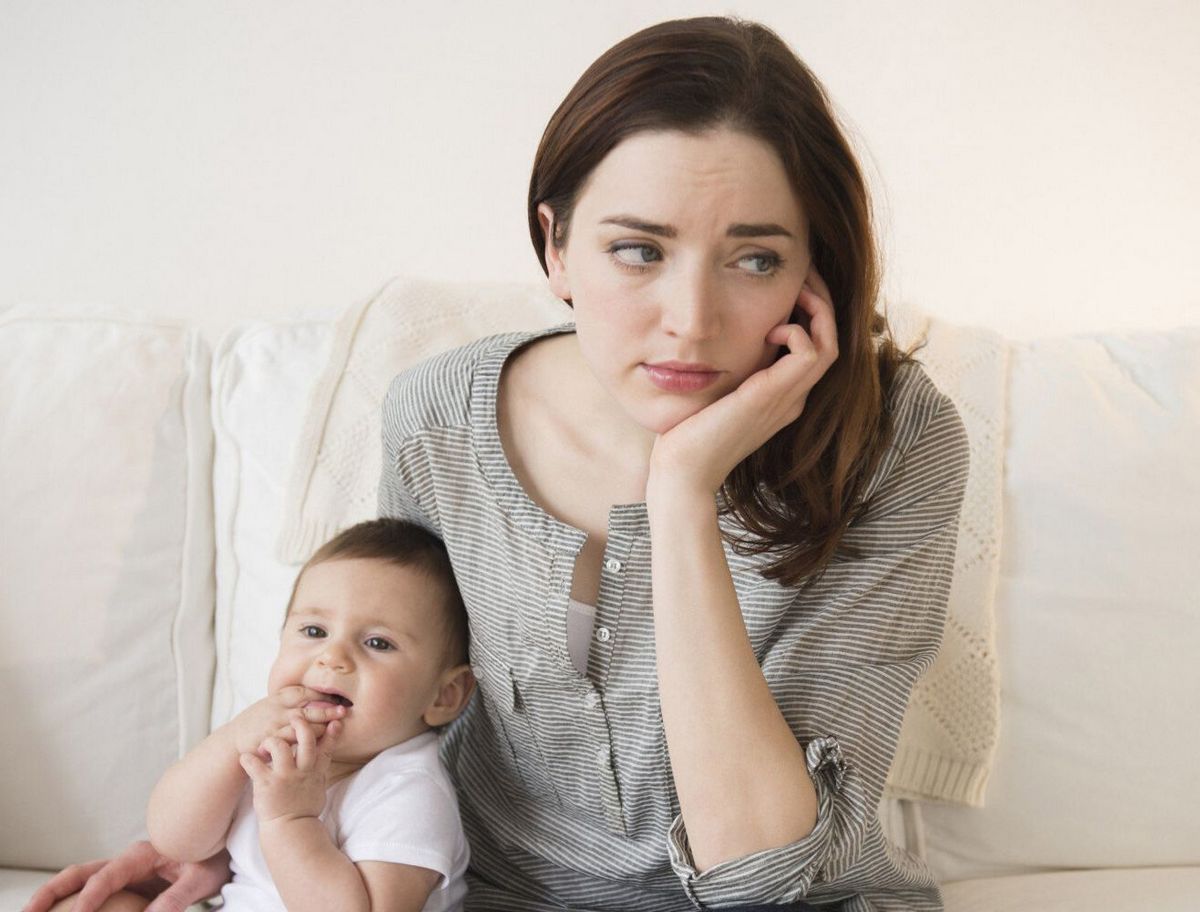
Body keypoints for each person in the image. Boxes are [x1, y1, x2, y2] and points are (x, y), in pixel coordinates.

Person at [26, 15, 969, 912]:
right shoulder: (438, 419)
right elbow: (395, 706)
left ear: (816, 271)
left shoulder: (894, 444)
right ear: (555, 247)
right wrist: (222, 843)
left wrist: (680, 490)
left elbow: (761, 871)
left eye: (754, 260)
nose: (690, 317)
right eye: (638, 251)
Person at [34, 519, 475, 912]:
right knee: (100, 904)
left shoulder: (409, 791)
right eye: (314, 631)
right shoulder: (274, 746)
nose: (332, 656)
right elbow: (177, 841)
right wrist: (230, 744)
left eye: (378, 643)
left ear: (444, 696)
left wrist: (291, 821)